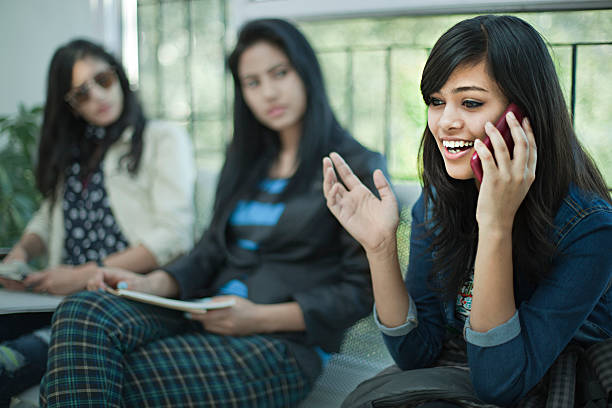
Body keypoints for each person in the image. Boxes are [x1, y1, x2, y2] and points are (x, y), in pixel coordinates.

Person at [40, 19, 388, 407]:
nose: (269, 92)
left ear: (305, 72)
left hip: (279, 346)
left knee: (88, 372)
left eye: (280, 73)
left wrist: (258, 317)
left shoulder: (353, 166)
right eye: (252, 82)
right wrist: (152, 283)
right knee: (82, 310)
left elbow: (361, 292)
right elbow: (209, 251)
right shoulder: (247, 163)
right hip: (201, 314)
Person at [323, 14, 612, 407]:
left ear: (524, 115)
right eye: (436, 102)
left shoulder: (590, 229)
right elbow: (415, 354)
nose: (445, 123)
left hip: (560, 382)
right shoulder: (440, 199)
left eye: (471, 102)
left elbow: (501, 382)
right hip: (465, 370)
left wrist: (496, 225)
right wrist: (379, 248)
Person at [0, 39, 196, 405]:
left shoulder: (161, 139)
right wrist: (22, 252)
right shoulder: (74, 151)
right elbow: (49, 216)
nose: (98, 98)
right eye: (81, 94)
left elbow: (174, 234)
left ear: (119, 76)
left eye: (103, 80)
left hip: (129, 294)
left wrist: (83, 274)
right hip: (60, 298)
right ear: (69, 105)